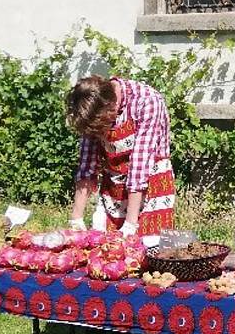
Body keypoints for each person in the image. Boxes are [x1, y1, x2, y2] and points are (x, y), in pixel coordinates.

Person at [66, 75, 175, 238]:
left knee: (149, 249)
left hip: (152, 182)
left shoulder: (147, 101)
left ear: (113, 106)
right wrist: (76, 217)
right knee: (106, 250)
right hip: (114, 185)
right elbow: (87, 163)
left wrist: (131, 224)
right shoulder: (93, 105)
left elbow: (140, 164)